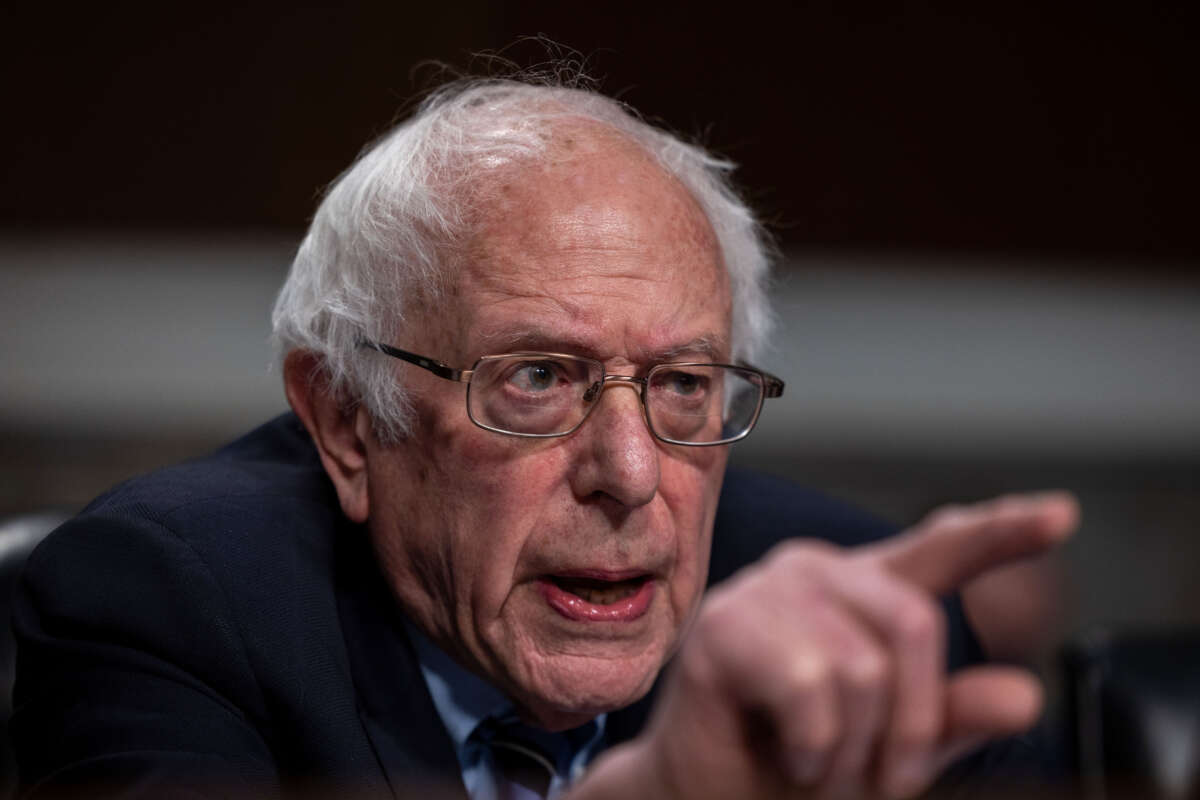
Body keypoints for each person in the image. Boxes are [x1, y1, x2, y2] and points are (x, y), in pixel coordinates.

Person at [11, 76, 1077, 799]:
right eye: (536, 378)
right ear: (345, 419)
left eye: (683, 384)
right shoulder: (170, 600)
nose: (628, 473)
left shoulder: (849, 620)